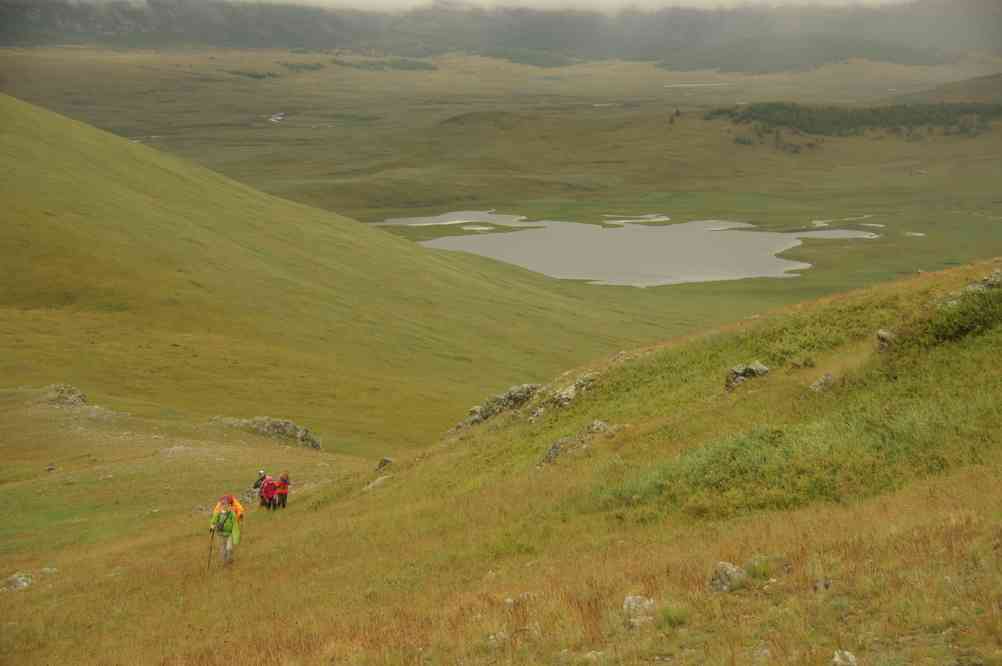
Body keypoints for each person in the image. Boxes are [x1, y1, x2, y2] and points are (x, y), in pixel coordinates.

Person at [209, 495, 244, 565]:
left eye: (226, 504)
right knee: (222, 549)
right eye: (223, 504)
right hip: (220, 534)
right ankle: (225, 562)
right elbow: (214, 520)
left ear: (229, 505)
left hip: (229, 534)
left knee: (229, 548)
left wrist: (236, 537)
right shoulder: (218, 513)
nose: (224, 506)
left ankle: (230, 560)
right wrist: (212, 526)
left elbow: (235, 525)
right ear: (221, 505)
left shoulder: (232, 514)